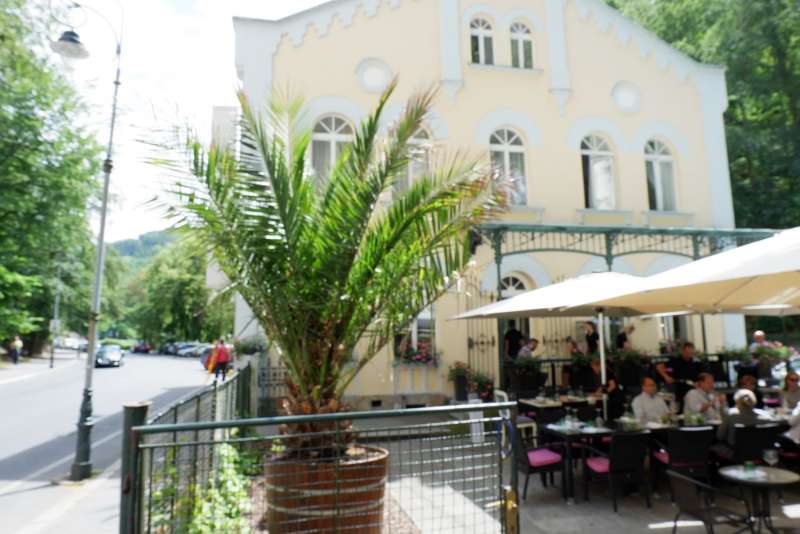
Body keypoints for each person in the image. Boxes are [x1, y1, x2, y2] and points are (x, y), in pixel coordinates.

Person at [656, 342, 703, 409]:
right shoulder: (675, 361)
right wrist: (666, 377)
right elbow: (659, 367)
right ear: (683, 351)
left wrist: (699, 383)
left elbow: (702, 376)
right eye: (687, 352)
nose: (689, 355)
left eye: (691, 353)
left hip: (693, 390)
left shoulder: (696, 362)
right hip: (679, 390)